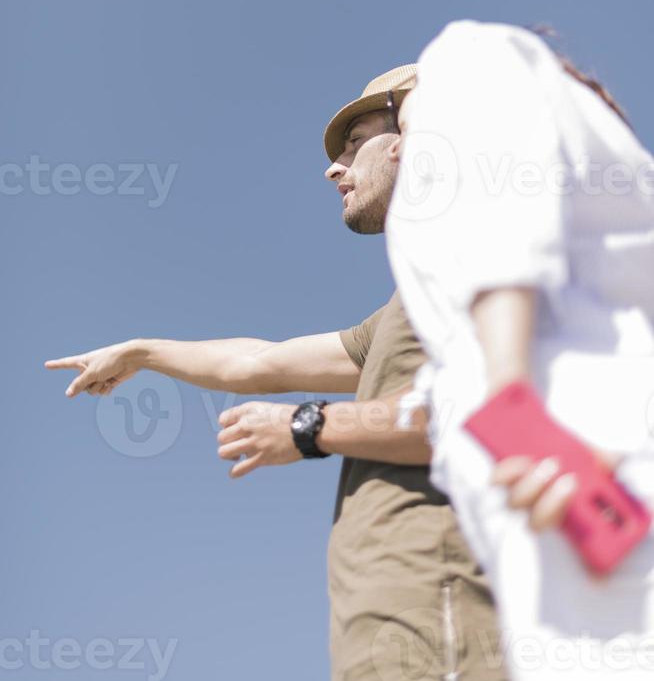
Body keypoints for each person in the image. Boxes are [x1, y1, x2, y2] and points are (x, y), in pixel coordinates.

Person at [45, 65, 506, 681]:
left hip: (447, 624)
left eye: (355, 142)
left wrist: (308, 426)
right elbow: (259, 363)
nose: (332, 169)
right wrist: (144, 351)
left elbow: (483, 419)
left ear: (412, 138)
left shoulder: (487, 256)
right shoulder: (404, 312)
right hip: (393, 631)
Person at [385, 20, 654, 681]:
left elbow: (503, 230)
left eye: (381, 121)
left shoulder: (464, 55)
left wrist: (511, 398)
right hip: (571, 478)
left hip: (578, 458)